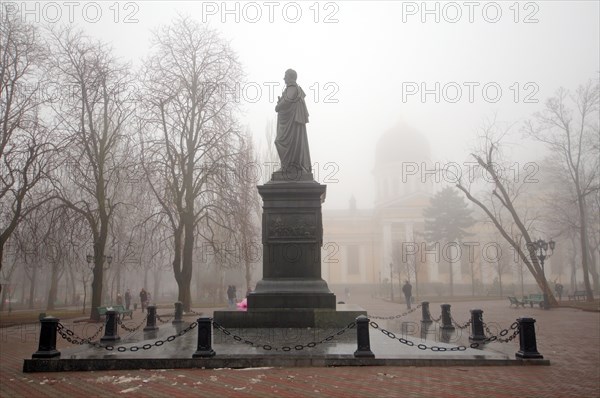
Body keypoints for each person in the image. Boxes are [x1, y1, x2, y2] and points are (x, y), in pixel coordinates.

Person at [275, 69, 311, 177]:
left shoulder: (293, 88)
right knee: (288, 143)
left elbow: (288, 100)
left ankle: (289, 167)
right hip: (290, 123)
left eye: (285, 76)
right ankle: (288, 166)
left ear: (291, 77)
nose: (284, 78)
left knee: (280, 141)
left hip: (291, 125)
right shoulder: (293, 88)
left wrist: (278, 106)